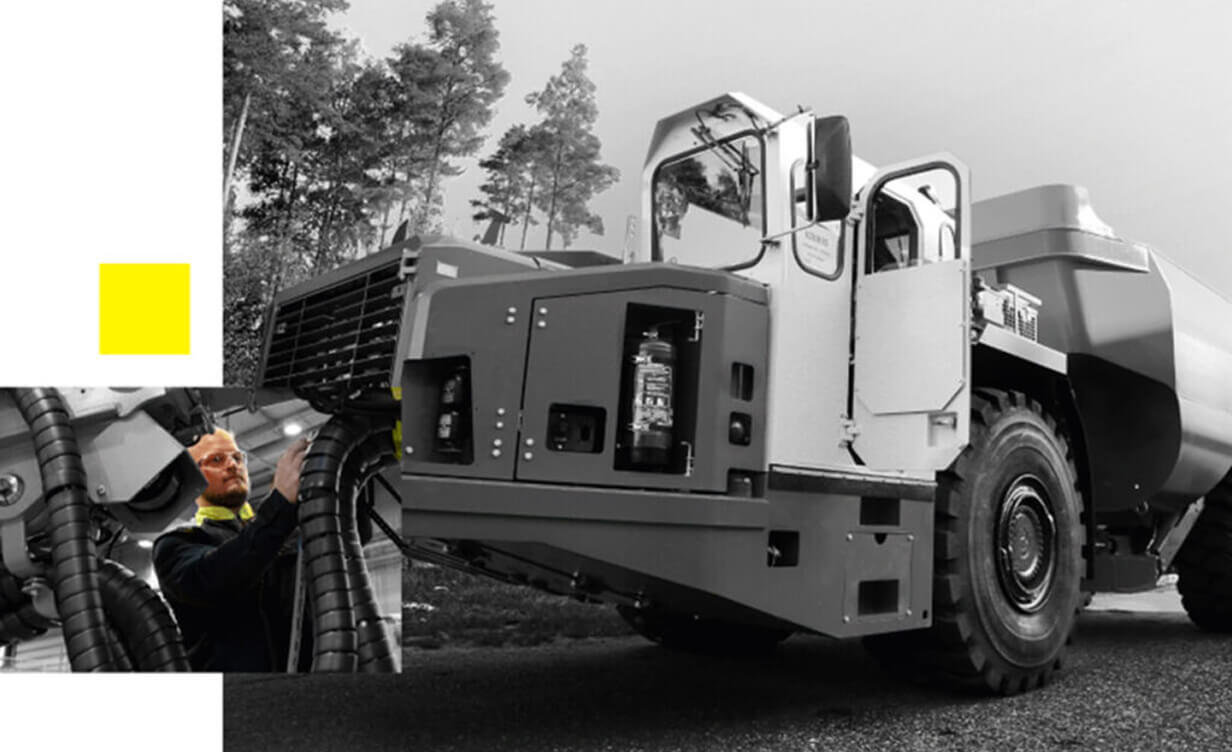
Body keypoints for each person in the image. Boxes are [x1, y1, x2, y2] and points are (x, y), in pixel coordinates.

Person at [153, 428, 311, 672]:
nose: (232, 465)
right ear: (191, 476)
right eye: (217, 459)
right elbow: (214, 577)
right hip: (237, 700)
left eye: (237, 458)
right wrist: (279, 507)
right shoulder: (177, 544)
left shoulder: (283, 527)